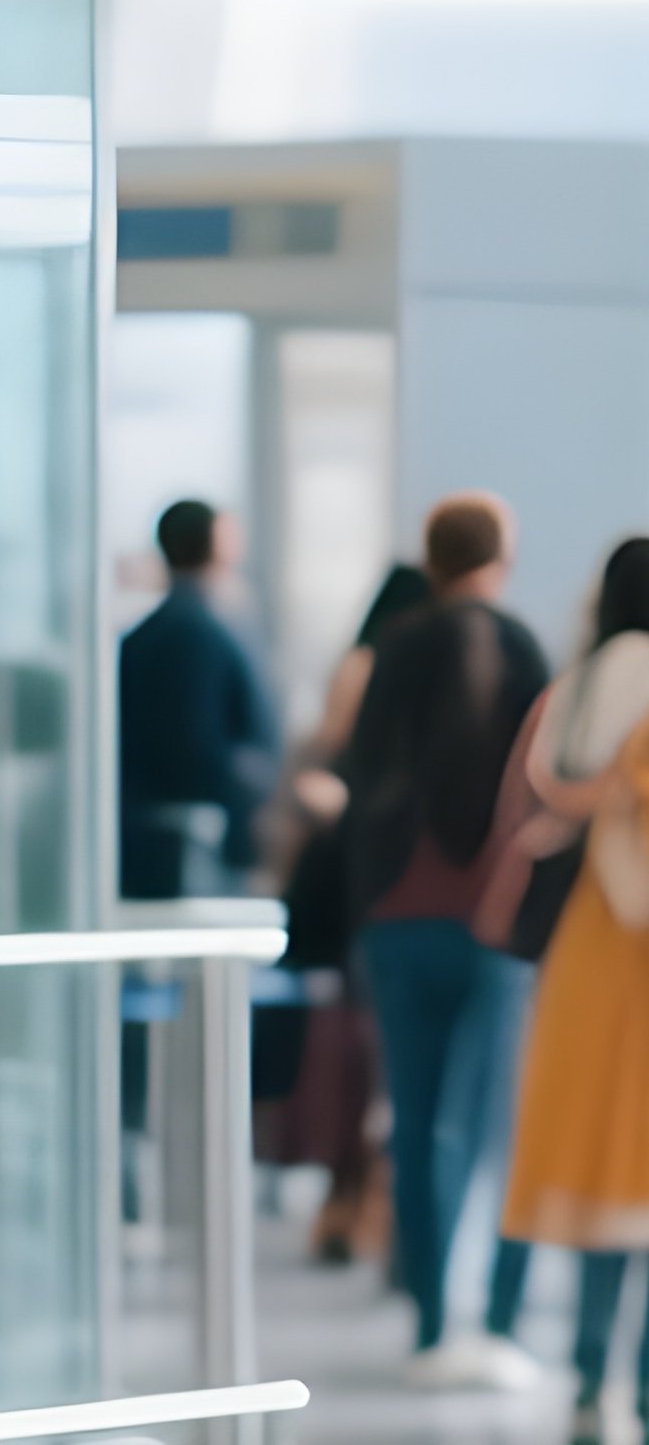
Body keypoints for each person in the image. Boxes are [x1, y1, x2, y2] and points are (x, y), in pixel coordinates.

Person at [340, 493, 548, 1390]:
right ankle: (492, 1322)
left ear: (429, 558)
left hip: (396, 915)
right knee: (490, 1125)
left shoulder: (398, 649)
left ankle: (429, 1320)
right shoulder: (521, 648)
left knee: (418, 1122)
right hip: (491, 923)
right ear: (502, 556)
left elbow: (357, 777)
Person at [502, 538, 649, 1445]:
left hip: (596, 930)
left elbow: (549, 787)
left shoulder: (585, 675)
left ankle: (593, 1377)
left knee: (605, 1166)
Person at [263, 564, 430, 1267]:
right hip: (365, 881)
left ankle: (354, 1203)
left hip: (348, 881)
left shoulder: (365, 664)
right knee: (363, 1052)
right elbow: (336, 753)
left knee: (353, 1048)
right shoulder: (377, 669)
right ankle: (360, 1206)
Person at [120, 499, 278, 899]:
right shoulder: (200, 631)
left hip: (155, 832)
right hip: (197, 840)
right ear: (215, 545)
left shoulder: (149, 634)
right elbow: (198, 744)